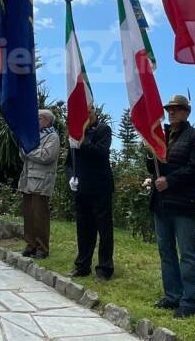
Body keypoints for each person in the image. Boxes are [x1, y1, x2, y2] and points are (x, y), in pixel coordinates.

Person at [148, 94, 195, 319]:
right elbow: (154, 169)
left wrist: (169, 181)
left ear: (187, 112)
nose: (171, 112)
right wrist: (150, 152)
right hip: (161, 202)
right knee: (166, 252)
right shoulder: (160, 137)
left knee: (187, 254)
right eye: (169, 108)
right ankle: (172, 295)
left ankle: (189, 301)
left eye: (177, 109)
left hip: (183, 203)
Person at [64, 115, 114, 281]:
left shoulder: (103, 129)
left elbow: (100, 153)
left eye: (88, 108)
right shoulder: (76, 132)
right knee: (84, 229)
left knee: (104, 229)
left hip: (100, 186)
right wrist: (71, 176)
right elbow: (69, 162)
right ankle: (82, 265)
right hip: (81, 188)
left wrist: (82, 140)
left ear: (94, 111)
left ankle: (104, 268)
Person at [18, 109, 61, 259]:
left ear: (47, 120)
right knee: (29, 216)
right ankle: (30, 245)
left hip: (41, 182)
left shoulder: (52, 137)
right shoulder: (34, 136)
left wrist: (28, 151)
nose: (36, 121)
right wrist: (24, 149)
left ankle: (42, 248)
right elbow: (23, 155)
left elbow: (46, 156)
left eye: (39, 119)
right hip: (27, 179)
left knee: (40, 216)